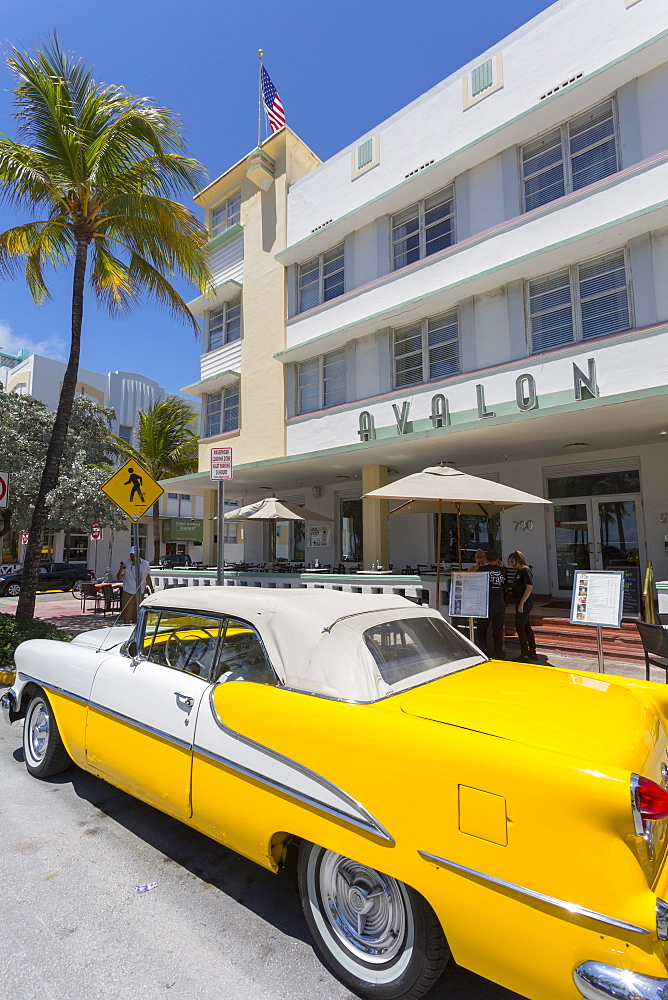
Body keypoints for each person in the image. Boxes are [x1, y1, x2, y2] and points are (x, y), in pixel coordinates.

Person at [475, 547, 508, 659]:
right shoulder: (503, 571)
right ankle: (499, 656)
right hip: (499, 604)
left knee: (481, 632)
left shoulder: (481, 570)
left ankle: (484, 654)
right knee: (498, 632)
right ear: (498, 559)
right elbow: (505, 587)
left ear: (486, 559)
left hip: (484, 606)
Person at [508, 550, 537, 661]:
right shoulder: (518, 571)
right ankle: (532, 651)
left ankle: (525, 653)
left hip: (524, 603)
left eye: (512, 561)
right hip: (520, 602)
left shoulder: (525, 570)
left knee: (520, 627)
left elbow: (529, 587)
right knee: (526, 627)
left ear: (518, 560)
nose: (511, 563)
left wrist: (522, 603)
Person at [117, 547, 153, 624]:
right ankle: (126, 628)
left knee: (137, 614)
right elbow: (119, 578)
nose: (132, 557)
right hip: (128, 591)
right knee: (127, 614)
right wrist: (121, 569)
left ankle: (135, 630)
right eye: (131, 555)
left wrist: (151, 588)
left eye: (133, 555)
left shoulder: (145, 564)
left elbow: (147, 577)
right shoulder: (125, 563)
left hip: (140, 592)